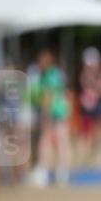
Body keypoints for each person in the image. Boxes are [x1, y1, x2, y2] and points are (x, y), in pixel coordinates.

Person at [29, 48, 72, 187]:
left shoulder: (50, 75)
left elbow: (48, 97)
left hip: (55, 113)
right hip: (59, 112)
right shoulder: (54, 74)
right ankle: (58, 172)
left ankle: (48, 171)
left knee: (49, 142)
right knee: (57, 142)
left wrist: (44, 115)